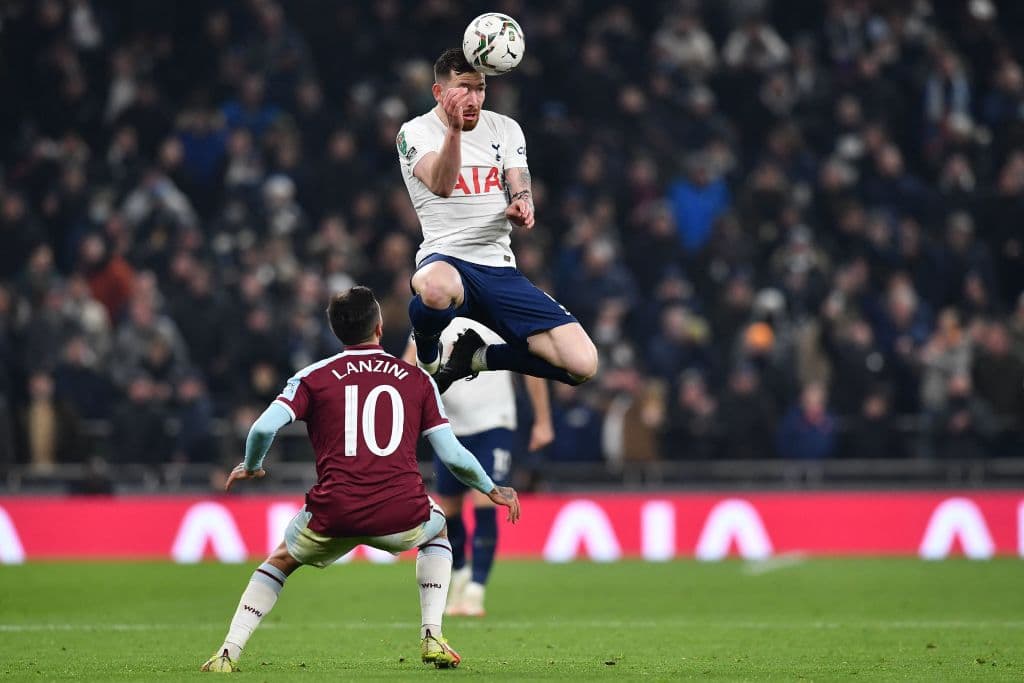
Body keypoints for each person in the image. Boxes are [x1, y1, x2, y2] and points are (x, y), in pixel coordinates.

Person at [200, 287, 520, 673]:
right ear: (380, 328)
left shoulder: (312, 377)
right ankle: (432, 634)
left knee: (280, 561)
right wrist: (490, 488)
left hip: (335, 511)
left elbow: (261, 428)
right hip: (401, 511)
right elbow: (452, 455)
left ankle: (228, 653)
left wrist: (251, 464)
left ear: (336, 332)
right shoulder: (417, 380)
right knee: (437, 534)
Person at [397, 48, 598, 393]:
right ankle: (429, 354)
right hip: (446, 258)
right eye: (463, 87)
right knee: (433, 287)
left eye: (480, 88)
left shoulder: (505, 128)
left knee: (583, 364)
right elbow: (442, 185)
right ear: (439, 92)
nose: (474, 98)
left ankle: (477, 358)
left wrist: (522, 205)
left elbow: (520, 183)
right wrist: (455, 132)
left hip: (498, 268)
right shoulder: (414, 132)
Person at [403, 318, 553, 616]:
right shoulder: (436, 315)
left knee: (486, 497)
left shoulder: (497, 312)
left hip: (494, 422)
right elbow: (408, 365)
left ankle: (476, 589)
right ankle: (459, 575)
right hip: (448, 425)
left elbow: (532, 367)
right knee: (450, 508)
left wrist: (543, 419)